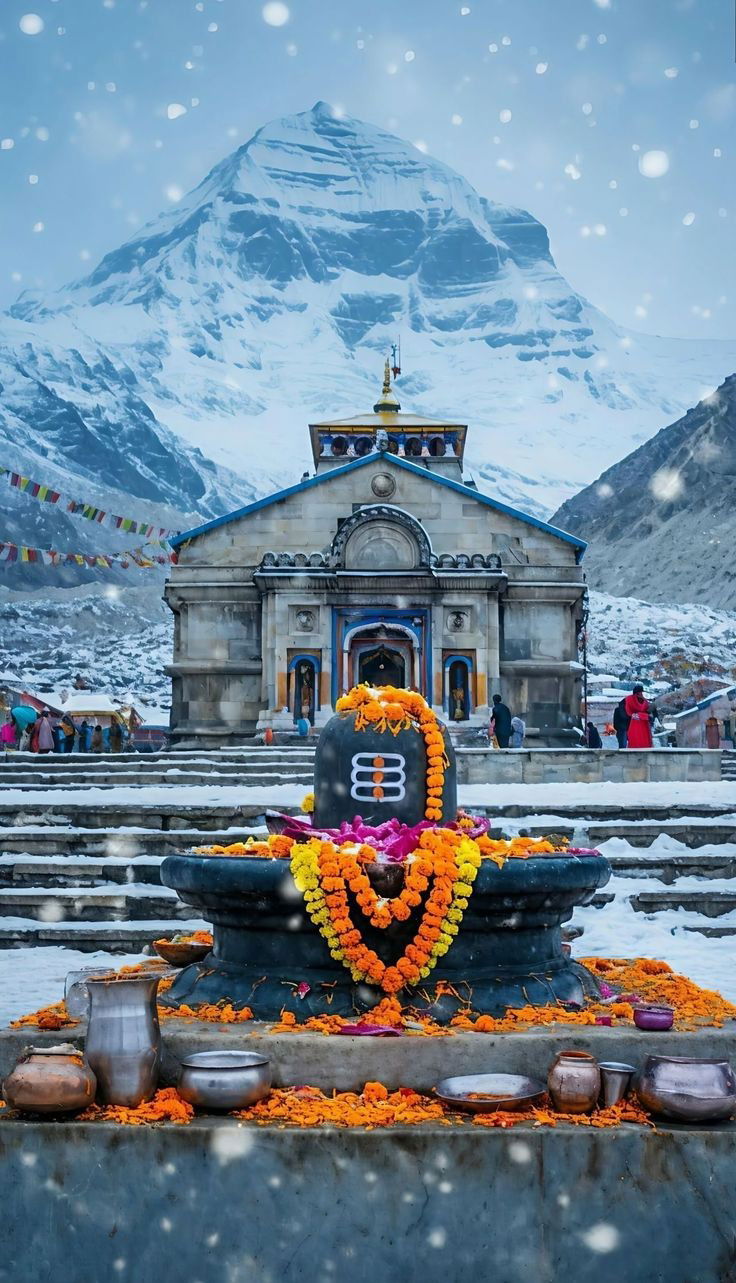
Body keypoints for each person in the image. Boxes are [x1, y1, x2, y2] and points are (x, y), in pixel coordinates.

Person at [624, 684, 655, 749]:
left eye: (641, 692)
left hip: (644, 722)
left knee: (643, 738)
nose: (641, 693)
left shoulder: (644, 700)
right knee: (637, 738)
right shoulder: (629, 699)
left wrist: (647, 715)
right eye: (640, 692)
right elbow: (629, 712)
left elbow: (647, 710)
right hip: (636, 721)